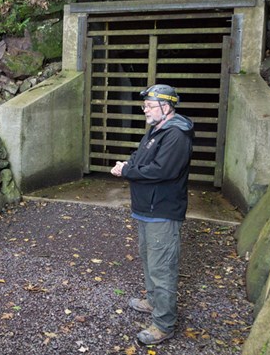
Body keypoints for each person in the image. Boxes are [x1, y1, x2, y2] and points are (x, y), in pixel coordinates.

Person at [110, 84, 194, 345]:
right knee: (149, 259)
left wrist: (127, 172)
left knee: (162, 268)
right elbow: (141, 156)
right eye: (144, 105)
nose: (144, 109)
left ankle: (163, 323)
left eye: (149, 105)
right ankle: (152, 300)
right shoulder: (156, 130)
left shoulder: (176, 135)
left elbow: (161, 170)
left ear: (166, 107)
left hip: (162, 211)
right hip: (148, 210)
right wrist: (128, 164)